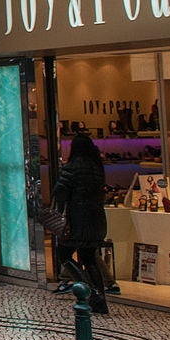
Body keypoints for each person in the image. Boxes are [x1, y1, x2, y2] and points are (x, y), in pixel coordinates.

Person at [52, 134, 110, 314]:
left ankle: (88, 289)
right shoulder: (97, 168)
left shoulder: (71, 169)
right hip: (96, 218)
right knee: (89, 258)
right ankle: (100, 297)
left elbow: (60, 193)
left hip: (77, 219)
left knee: (64, 254)